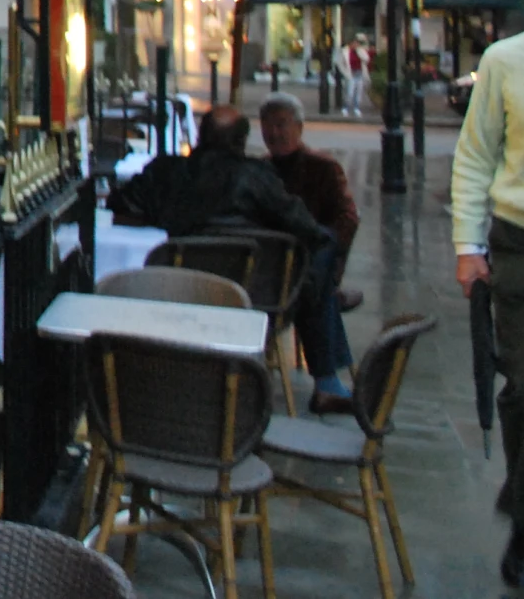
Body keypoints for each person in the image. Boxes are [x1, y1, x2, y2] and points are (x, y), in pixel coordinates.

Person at [114, 104, 352, 409]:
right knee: (323, 248)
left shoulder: (165, 173)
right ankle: (326, 375)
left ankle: (322, 304)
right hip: (256, 298)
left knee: (318, 260)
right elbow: (306, 227)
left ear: (200, 137)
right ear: (241, 142)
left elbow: (122, 202)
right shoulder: (256, 176)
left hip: (178, 292)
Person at [454, 30, 524, 585]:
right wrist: (468, 247)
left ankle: (522, 511)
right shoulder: (505, 60)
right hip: (518, 243)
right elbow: (475, 154)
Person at [260, 91, 364, 354]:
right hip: (271, 268)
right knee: (316, 293)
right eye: (267, 126)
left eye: (281, 124)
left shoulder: (323, 168)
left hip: (309, 261)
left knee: (316, 270)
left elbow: (347, 218)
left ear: (299, 127)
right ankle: (328, 383)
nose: (274, 132)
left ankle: (315, 286)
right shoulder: (259, 170)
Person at [332, 33, 372, 118]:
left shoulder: (360, 50)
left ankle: (356, 108)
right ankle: (345, 108)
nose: (356, 45)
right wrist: (345, 72)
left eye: (357, 43)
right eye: (354, 43)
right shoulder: (345, 51)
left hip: (360, 73)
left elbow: (366, 59)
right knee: (349, 92)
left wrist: (359, 51)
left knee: (358, 92)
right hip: (351, 73)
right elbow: (339, 63)